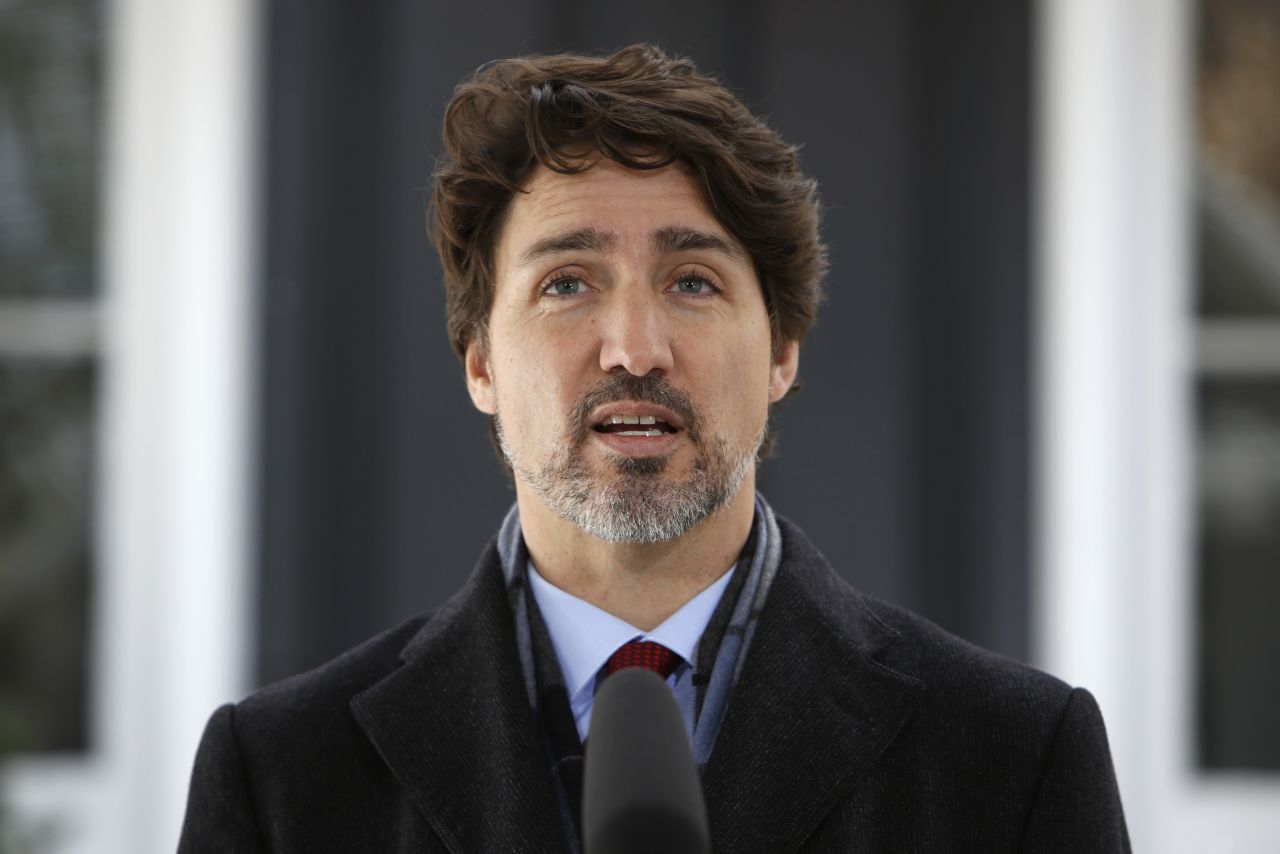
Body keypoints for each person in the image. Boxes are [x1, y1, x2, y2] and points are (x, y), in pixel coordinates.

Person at [179, 44, 1130, 852]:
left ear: (783, 352)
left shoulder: (1014, 761)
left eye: (693, 282)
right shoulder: (279, 780)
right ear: (480, 366)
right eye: (566, 284)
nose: (635, 348)